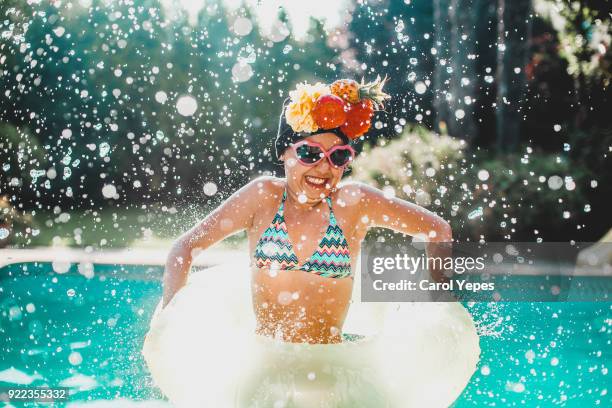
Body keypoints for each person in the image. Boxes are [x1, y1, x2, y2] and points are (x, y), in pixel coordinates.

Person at [143, 77, 480, 407]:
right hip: (266, 372)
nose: (323, 167)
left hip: (331, 373)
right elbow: (183, 250)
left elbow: (438, 231)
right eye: (308, 152)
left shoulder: (352, 203)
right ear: (284, 153)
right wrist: (170, 326)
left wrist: (441, 306)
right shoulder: (263, 197)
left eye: (338, 157)